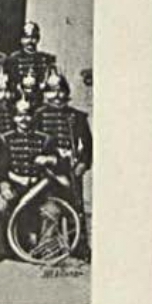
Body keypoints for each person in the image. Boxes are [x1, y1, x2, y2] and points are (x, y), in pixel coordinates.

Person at [0, 97, 61, 261]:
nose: (24, 119)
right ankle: (3, 250)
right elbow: (0, 170)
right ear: (14, 118)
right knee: (0, 205)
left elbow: (59, 165)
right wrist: (4, 186)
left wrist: (50, 159)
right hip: (14, 187)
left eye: (28, 115)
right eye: (19, 115)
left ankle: (44, 249)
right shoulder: (5, 138)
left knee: (53, 211)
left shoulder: (45, 139)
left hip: (40, 189)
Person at [34, 72, 93, 261]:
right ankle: (47, 246)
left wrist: (82, 164)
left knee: (76, 208)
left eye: (61, 91)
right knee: (50, 208)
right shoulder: (39, 115)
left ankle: (79, 246)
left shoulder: (77, 117)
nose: (58, 95)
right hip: (48, 170)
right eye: (52, 91)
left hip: (71, 167)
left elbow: (88, 146)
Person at [5, 21, 56, 88]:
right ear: (21, 39)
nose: (30, 41)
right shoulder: (13, 59)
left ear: (38, 39)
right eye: (26, 37)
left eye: (33, 37)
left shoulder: (46, 59)